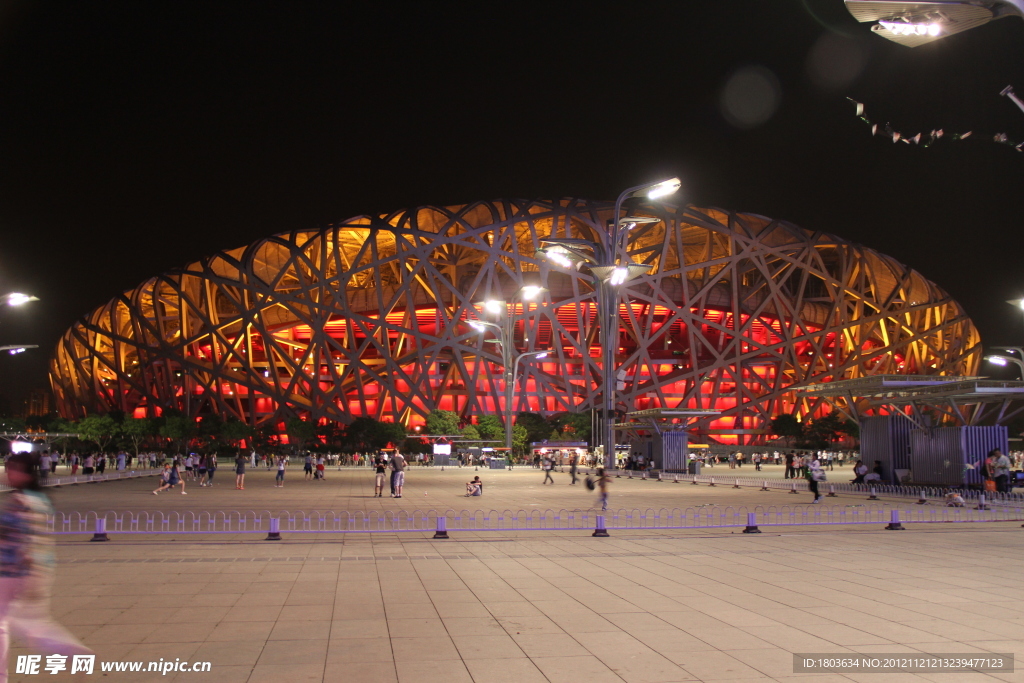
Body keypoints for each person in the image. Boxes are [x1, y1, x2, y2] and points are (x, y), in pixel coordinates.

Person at [0, 454, 93, 676]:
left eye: (11, 469)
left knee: (3, 623)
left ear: (23, 472)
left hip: (15, 572)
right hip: (41, 571)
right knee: (34, 624)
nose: (7, 474)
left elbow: (19, 539)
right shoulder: (41, 500)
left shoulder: (21, 502)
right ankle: (70, 650)